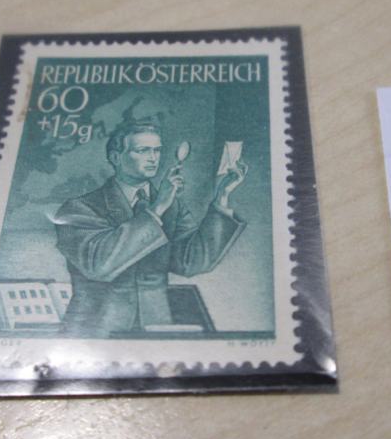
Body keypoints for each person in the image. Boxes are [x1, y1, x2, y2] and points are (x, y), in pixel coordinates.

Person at [53, 120, 247, 336]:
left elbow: (191, 262)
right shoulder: (79, 208)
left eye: (157, 150)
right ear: (116, 158)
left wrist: (222, 197)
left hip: (156, 328)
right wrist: (157, 208)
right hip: (95, 331)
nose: (153, 158)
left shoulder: (171, 206)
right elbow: (99, 265)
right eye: (143, 150)